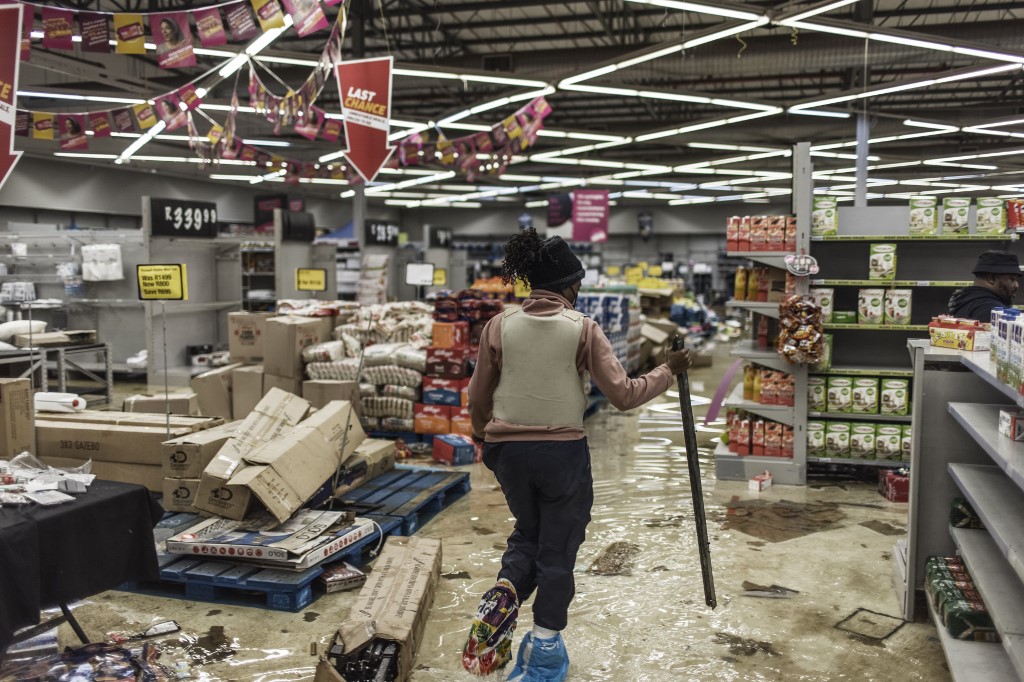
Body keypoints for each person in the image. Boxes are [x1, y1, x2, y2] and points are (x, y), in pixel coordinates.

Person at [461, 228, 691, 681]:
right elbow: (623, 395)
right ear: (568, 286)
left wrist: (485, 443)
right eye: (578, 283)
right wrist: (668, 369)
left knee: (529, 533)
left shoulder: (498, 326)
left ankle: (506, 590)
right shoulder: (583, 328)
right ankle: (544, 650)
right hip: (561, 454)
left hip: (507, 452)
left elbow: (477, 396)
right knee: (558, 549)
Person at [948, 250, 1021, 321]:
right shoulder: (995, 313)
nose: (1016, 285)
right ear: (991, 278)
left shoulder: (962, 300)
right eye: (1012, 279)